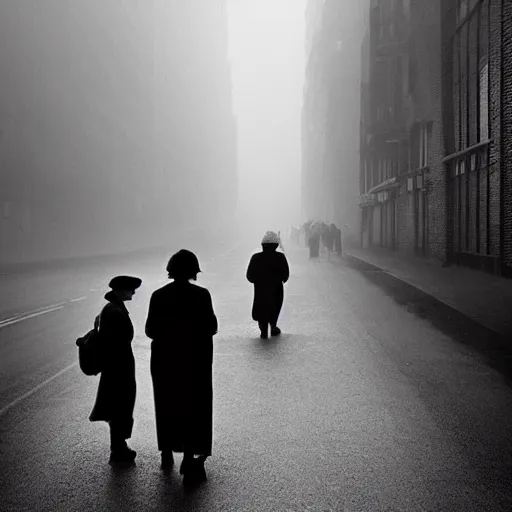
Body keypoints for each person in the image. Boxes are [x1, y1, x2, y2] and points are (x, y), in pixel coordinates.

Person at [145, 249, 218, 482]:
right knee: (195, 407)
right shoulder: (201, 295)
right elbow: (212, 326)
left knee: (167, 404)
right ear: (194, 270)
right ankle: (189, 454)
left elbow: (150, 330)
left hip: (165, 361)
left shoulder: (158, 296)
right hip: (195, 360)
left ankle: (166, 451)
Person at [89, 275, 142, 465]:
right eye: (131, 289)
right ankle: (118, 449)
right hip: (118, 367)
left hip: (117, 366)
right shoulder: (114, 312)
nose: (134, 292)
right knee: (120, 406)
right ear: (121, 291)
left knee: (118, 405)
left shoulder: (112, 309)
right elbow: (118, 340)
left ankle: (119, 446)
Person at [246, 231, 290, 339]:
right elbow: (286, 273)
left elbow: (249, 275)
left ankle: (263, 327)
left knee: (261, 307)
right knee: (275, 306)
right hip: (276, 288)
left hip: (260, 289)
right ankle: (273, 326)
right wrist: (281, 279)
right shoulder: (280, 257)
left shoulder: (256, 258)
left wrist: (256, 280)